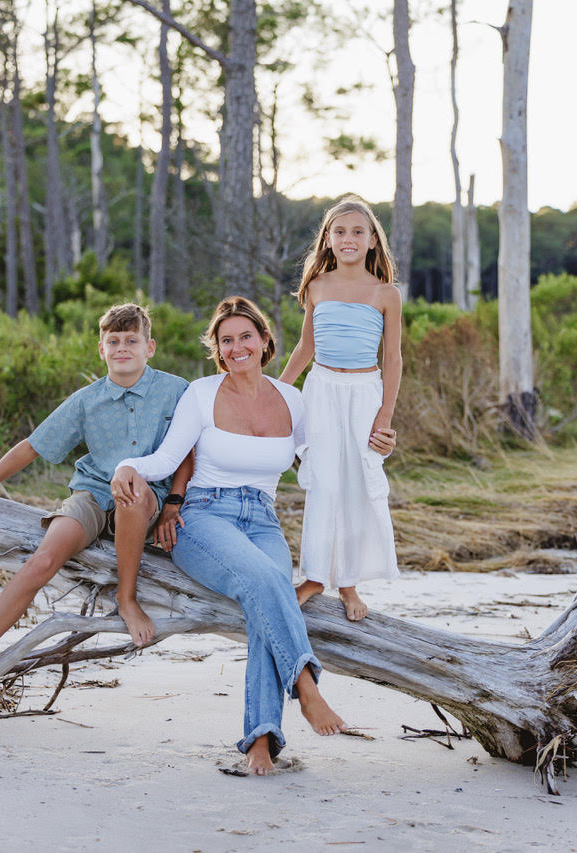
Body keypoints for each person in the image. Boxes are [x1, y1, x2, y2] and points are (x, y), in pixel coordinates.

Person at [111, 296, 394, 775]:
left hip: (262, 519)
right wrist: (126, 467)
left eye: (246, 336)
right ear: (218, 351)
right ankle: (306, 687)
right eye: (227, 341)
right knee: (268, 582)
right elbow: (164, 459)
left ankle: (261, 738)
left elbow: (324, 462)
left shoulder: (292, 400)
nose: (237, 346)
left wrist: (376, 442)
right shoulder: (201, 393)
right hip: (203, 517)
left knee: (265, 599)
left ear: (265, 341)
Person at [0, 303, 191, 719]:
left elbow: (191, 449)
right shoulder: (87, 401)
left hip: (146, 499)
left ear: (150, 347)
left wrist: (174, 503)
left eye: (131, 341)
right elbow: (33, 445)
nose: (122, 348)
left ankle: (126, 598)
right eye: (114, 341)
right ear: (101, 349)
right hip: (92, 493)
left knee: (132, 488)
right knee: (42, 561)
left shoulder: (176, 390)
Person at [278, 196, 402, 621]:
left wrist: (384, 415)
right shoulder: (317, 286)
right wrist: (279, 392)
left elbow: (393, 359)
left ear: (372, 241)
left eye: (357, 232)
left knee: (355, 485)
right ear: (327, 240)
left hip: (364, 393)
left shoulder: (386, 294)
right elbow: (306, 346)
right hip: (322, 391)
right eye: (340, 231)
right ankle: (313, 576)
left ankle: (348, 584)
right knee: (324, 484)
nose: (348, 238)